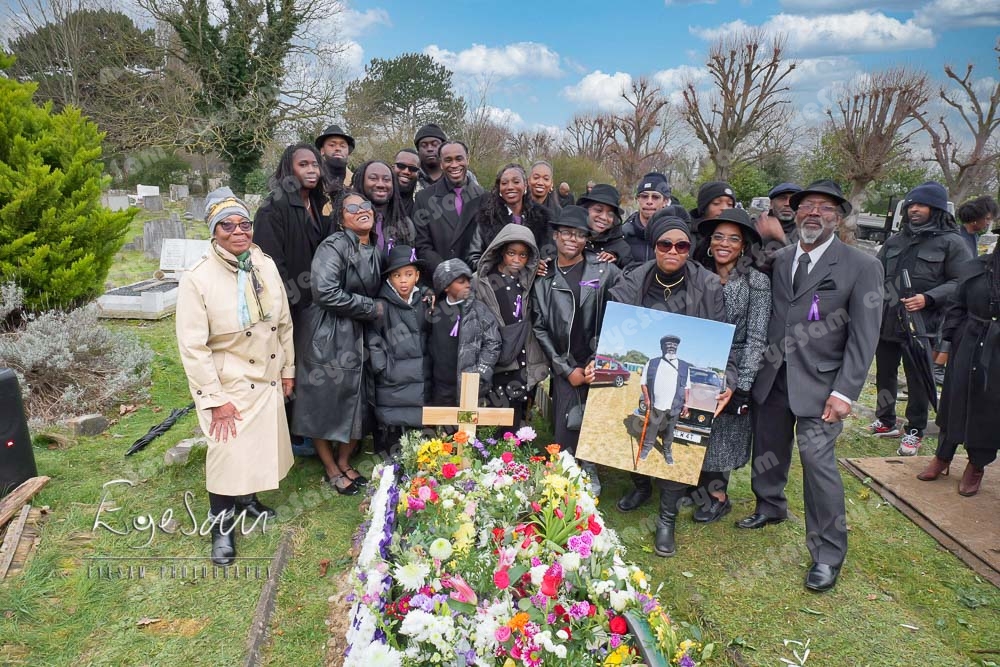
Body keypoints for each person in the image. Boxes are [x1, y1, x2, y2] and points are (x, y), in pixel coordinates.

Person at [736, 179, 883, 593]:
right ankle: (770, 505)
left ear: (839, 217)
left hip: (823, 385)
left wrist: (845, 392)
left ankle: (827, 553)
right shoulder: (782, 258)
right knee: (768, 448)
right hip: (774, 377)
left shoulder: (861, 266)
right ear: (795, 212)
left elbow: (864, 336)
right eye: (807, 205)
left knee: (818, 465)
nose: (814, 212)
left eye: (825, 207)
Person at [176, 188, 295, 565]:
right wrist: (214, 400)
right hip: (228, 381)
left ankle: (247, 499)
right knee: (227, 453)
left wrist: (288, 369)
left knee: (258, 444)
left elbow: (283, 322)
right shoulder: (197, 278)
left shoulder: (264, 263)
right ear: (213, 231)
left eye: (244, 224)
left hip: (266, 372)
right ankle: (221, 526)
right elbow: (192, 347)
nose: (238, 231)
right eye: (227, 226)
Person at [609, 211, 736, 557]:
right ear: (654, 246)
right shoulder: (632, 281)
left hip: (679, 393)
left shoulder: (708, 285)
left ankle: (667, 518)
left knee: (676, 446)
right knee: (639, 431)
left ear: (689, 249)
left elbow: (721, 339)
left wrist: (728, 380)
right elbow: (613, 331)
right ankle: (640, 485)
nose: (673, 251)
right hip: (651, 385)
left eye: (681, 246)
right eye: (665, 244)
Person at [869, 181, 971, 455]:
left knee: (917, 378)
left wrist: (929, 298)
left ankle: (914, 430)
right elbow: (875, 272)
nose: (914, 209)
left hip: (923, 325)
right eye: (911, 205)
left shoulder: (952, 242)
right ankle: (886, 420)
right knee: (885, 373)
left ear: (936, 209)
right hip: (888, 320)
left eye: (921, 205)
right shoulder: (895, 240)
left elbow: (962, 281)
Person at [293, 190, 382, 496]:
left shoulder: (374, 247)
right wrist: (371, 308)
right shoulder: (334, 245)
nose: (362, 210)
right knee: (323, 402)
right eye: (352, 208)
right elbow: (325, 291)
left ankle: (345, 460)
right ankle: (331, 467)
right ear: (341, 219)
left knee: (358, 402)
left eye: (365, 205)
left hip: (359, 332)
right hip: (328, 333)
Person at [685, 208, 771, 522]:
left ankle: (718, 497)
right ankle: (693, 486)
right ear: (709, 242)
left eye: (733, 239)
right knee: (693, 425)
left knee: (723, 436)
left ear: (744, 245)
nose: (724, 243)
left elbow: (758, 336)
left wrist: (743, 385)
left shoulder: (756, 281)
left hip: (733, 365)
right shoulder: (695, 274)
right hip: (697, 359)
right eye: (718, 237)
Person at [532, 206, 622, 495]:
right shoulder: (543, 276)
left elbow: (621, 314)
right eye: (567, 233)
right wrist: (565, 369)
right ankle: (567, 473)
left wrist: (601, 359)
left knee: (597, 418)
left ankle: (591, 466)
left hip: (599, 357)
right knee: (567, 425)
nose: (573, 239)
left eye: (580, 235)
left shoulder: (604, 271)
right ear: (556, 236)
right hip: (565, 363)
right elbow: (539, 327)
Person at [253, 143, 333, 448]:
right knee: (290, 367)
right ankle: (291, 435)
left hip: (319, 303)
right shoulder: (273, 208)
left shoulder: (319, 203)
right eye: (303, 164)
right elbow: (271, 264)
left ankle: (309, 428)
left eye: (315, 164)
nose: (312, 170)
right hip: (292, 306)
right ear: (289, 169)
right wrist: (297, 302)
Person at [918, 245, 1000, 496]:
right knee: (955, 397)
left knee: (990, 406)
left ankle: (976, 465)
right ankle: (943, 456)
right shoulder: (976, 267)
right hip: (969, 339)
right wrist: (953, 336)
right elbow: (957, 303)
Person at [473, 224, 549, 429]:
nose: (516, 260)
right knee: (493, 414)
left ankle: (516, 446)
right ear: (500, 252)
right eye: (511, 253)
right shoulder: (482, 281)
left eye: (523, 255)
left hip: (522, 357)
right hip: (496, 357)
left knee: (518, 412)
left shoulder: (529, 280)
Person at [367, 245, 430, 459]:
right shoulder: (381, 305)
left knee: (418, 429)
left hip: (419, 376)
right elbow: (373, 338)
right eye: (397, 275)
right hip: (392, 379)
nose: (403, 280)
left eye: (408, 274)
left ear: (417, 276)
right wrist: (382, 368)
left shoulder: (424, 301)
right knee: (393, 426)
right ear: (389, 278)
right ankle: (392, 463)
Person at [427, 259, 502, 407]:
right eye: (461, 282)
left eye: (468, 280)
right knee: (442, 422)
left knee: (468, 421)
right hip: (440, 388)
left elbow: (493, 342)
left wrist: (481, 372)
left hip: (471, 386)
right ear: (446, 286)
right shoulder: (434, 311)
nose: (467, 285)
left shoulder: (479, 309)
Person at [413, 140, 486, 275]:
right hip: (441, 278)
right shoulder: (424, 198)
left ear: (467, 160)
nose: (454, 165)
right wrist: (447, 273)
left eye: (459, 159)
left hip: (475, 278)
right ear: (441, 164)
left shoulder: (484, 197)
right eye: (448, 160)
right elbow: (422, 246)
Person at [466, 163, 553, 267]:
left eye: (516, 182)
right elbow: (473, 258)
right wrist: (498, 269)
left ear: (525, 185)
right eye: (504, 183)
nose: (510, 187)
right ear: (499, 188)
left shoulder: (542, 218)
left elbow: (547, 255)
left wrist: (536, 266)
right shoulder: (487, 218)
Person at [636, 335, 693, 465]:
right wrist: (647, 399)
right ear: (662, 347)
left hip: (675, 405)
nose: (671, 347)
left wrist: (687, 403)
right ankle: (646, 448)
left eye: (674, 345)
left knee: (669, 430)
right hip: (656, 404)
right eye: (668, 344)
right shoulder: (652, 363)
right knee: (652, 427)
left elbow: (686, 387)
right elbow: (643, 383)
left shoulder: (684, 366)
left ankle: (667, 450)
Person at [351, 159, 415, 253]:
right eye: (373, 178)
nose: (380, 184)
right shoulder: (347, 219)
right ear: (362, 181)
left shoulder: (405, 224)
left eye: (386, 180)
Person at [622, 172, 672, 268]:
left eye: (655, 197)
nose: (649, 201)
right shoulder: (623, 234)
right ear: (638, 199)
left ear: (665, 201)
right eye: (644, 196)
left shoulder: (674, 235)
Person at [577, 184, 632, 268]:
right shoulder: (570, 237)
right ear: (586, 209)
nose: (604, 217)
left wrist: (616, 263)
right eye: (598, 210)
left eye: (610, 214)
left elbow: (630, 272)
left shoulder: (622, 248)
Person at [755, 182, 803, 249]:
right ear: (771, 204)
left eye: (793, 199)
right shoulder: (757, 226)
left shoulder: (805, 231)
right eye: (782, 198)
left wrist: (782, 237)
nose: (787, 204)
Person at [315, 124, 354, 194]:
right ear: (322, 150)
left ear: (348, 152)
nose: (338, 148)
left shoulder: (356, 182)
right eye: (332, 145)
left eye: (342, 146)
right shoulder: (314, 179)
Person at [414, 123, 448, 187]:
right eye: (424, 145)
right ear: (418, 150)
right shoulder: (411, 177)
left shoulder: (459, 175)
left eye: (435, 144)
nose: (430, 149)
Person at [392, 148, 422, 217]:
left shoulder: (423, 202)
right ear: (393, 168)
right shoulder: (378, 196)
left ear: (418, 173)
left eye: (413, 169)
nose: (406, 172)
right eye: (401, 166)